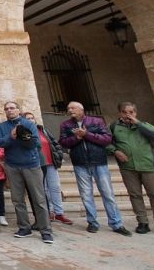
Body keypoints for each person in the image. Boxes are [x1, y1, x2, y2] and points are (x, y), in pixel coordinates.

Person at [59, 101, 131, 236]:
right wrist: (77, 137)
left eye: (73, 108)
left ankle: (116, 223)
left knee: (108, 194)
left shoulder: (96, 121)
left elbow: (107, 139)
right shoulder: (66, 125)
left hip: (99, 162)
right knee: (86, 195)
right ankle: (92, 222)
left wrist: (87, 135)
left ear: (81, 109)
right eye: (69, 108)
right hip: (80, 163)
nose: (70, 110)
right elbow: (63, 142)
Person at [0, 101, 53, 244]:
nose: (9, 111)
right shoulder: (2, 126)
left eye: (12, 108)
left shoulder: (28, 124)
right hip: (12, 166)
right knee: (17, 199)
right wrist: (11, 137)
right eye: (6, 109)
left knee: (38, 199)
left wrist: (21, 137)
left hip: (31, 165)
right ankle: (24, 227)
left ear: (18, 110)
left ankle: (45, 230)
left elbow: (36, 143)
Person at [107, 102, 154, 235]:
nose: (128, 115)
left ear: (135, 113)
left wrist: (138, 123)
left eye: (131, 112)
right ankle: (143, 222)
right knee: (135, 195)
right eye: (124, 112)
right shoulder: (114, 126)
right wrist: (115, 151)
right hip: (128, 167)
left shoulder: (143, 125)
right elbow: (106, 142)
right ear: (119, 113)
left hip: (147, 165)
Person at [24, 111, 72, 226]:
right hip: (38, 164)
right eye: (28, 119)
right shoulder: (26, 133)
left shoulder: (43, 130)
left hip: (50, 162)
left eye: (32, 118)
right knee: (43, 189)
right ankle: (49, 212)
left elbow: (54, 143)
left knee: (55, 187)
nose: (31, 120)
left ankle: (59, 212)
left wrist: (59, 155)